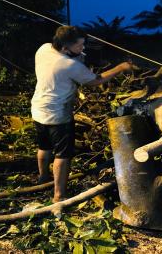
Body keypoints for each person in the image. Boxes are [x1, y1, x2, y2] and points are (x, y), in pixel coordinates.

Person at [31, 26, 135, 202]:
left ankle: (43, 178)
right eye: (79, 46)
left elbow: (71, 60)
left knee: (44, 147)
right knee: (63, 155)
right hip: (58, 114)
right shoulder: (69, 65)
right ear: (65, 48)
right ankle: (59, 195)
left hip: (38, 108)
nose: (83, 49)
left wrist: (77, 54)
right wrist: (121, 67)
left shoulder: (44, 48)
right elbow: (96, 80)